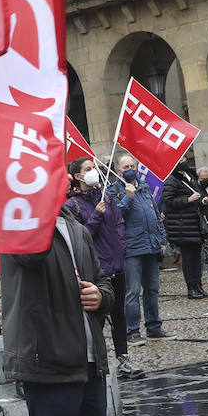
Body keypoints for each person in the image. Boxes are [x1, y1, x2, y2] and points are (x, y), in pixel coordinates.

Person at [2, 201, 113, 416]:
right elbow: (32, 256)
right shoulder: (19, 225)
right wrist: (37, 208)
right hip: (48, 362)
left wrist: (101, 296)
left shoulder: (77, 228)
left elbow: (103, 280)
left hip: (89, 363)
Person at [63, 158, 138, 379]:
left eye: (93, 168)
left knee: (119, 314)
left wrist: (121, 247)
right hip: (96, 268)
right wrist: (96, 215)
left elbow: (119, 224)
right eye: (88, 169)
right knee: (96, 316)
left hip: (117, 263)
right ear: (77, 177)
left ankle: (124, 359)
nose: (93, 171)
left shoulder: (107, 196)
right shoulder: (72, 206)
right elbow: (80, 236)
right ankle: (98, 362)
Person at [116, 155, 169, 344]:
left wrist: (162, 241)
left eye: (133, 165)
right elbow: (116, 216)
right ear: (119, 170)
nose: (130, 168)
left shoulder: (144, 187)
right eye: (126, 166)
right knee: (132, 292)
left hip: (151, 246)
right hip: (131, 249)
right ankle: (133, 331)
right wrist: (128, 197)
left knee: (152, 289)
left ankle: (154, 327)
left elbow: (156, 215)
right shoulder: (114, 189)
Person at [161, 164, 208, 299]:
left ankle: (198, 286)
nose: (184, 161)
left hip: (194, 224)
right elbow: (169, 201)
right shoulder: (171, 180)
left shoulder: (189, 177)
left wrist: (201, 200)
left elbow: (196, 195)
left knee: (196, 258)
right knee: (188, 258)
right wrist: (188, 200)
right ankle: (191, 288)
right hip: (182, 225)